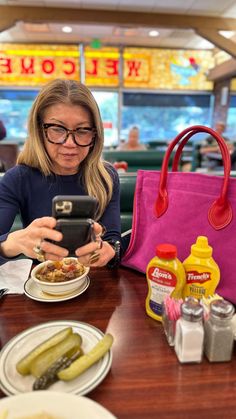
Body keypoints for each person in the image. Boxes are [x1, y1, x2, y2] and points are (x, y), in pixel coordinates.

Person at [0, 79, 121, 268]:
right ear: (39, 131)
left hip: (95, 286)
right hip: (39, 286)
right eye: (57, 129)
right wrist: (12, 244)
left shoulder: (107, 176)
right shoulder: (17, 179)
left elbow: (113, 240)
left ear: (95, 134)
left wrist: (109, 250)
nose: (70, 143)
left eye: (82, 130)